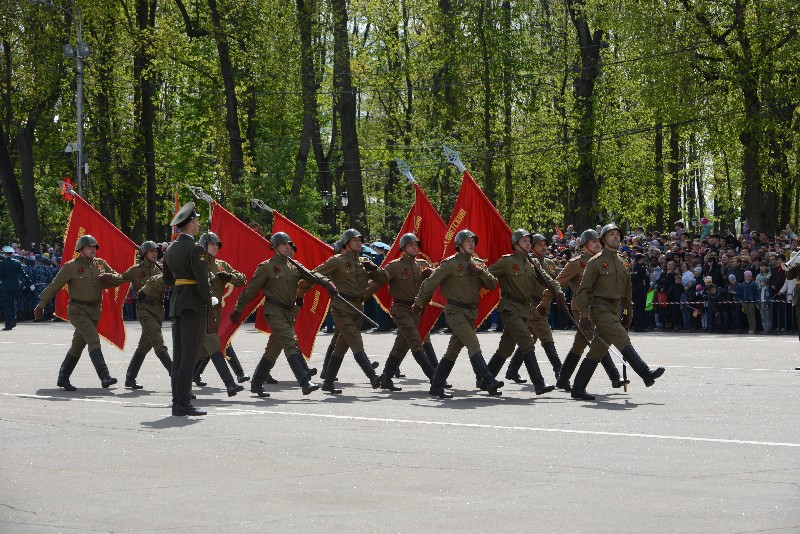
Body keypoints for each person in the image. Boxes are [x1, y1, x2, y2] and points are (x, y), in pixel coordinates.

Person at [231, 232, 335, 397]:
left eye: (289, 244)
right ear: (275, 247)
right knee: (290, 342)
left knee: (272, 350)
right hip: (274, 312)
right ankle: (304, 381)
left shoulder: (294, 265)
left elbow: (312, 274)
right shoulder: (267, 267)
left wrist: (326, 282)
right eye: (284, 244)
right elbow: (251, 290)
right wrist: (238, 309)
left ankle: (257, 384)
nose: (288, 247)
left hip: (289, 313)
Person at [571, 223, 664, 400]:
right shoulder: (595, 262)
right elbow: (583, 291)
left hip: (615, 309)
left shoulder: (623, 262)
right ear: (604, 239)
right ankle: (645, 373)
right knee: (622, 338)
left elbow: (627, 291)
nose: (615, 237)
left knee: (597, 351)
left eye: (617, 234)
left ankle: (577, 387)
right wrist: (584, 316)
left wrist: (629, 312)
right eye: (611, 234)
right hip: (599, 308)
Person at [413, 229, 502, 399]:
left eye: (473, 241)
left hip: (471, 313)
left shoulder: (477, 263)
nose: (471, 244)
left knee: (452, 351)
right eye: (467, 241)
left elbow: (492, 284)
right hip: (455, 311)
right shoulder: (451, 263)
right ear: (459, 244)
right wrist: (419, 303)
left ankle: (436, 386)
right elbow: (430, 283)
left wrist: (480, 272)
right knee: (473, 344)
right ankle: (489, 380)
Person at [298, 228, 387, 394]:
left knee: (341, 346)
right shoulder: (337, 260)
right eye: (355, 241)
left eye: (360, 240)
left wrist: (374, 269)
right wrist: (326, 283)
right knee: (355, 341)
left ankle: (328, 382)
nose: (359, 243)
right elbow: (315, 273)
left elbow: (383, 280)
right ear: (346, 244)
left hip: (357, 307)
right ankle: (373, 377)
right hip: (341, 307)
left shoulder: (364, 261)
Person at [483, 230, 568, 395]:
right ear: (515, 244)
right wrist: (480, 274)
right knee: (527, 342)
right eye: (524, 241)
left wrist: (558, 292)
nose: (528, 243)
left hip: (525, 310)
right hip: (509, 308)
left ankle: (485, 379)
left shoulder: (532, 263)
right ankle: (539, 383)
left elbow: (549, 280)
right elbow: (489, 275)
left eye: (529, 241)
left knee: (506, 348)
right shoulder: (507, 261)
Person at [34, 235, 123, 391]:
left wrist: (111, 277)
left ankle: (63, 377)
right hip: (77, 310)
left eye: (94, 247)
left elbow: (117, 279)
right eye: (89, 247)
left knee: (77, 346)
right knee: (93, 339)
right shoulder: (71, 267)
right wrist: (41, 304)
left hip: (95, 311)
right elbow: (55, 285)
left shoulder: (101, 264)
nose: (93, 249)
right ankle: (104, 376)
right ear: (80, 249)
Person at [547, 229, 627, 391]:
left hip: (602, 308)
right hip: (583, 309)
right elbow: (557, 282)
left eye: (599, 241)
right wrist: (546, 301)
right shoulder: (576, 263)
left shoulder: (607, 260)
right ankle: (614, 376)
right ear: (584, 245)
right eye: (593, 241)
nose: (598, 243)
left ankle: (563, 379)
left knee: (583, 343)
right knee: (597, 339)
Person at [368, 233, 438, 392]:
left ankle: (386, 377)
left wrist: (431, 273)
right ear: (403, 248)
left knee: (400, 347)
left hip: (416, 310)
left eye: (416, 244)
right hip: (401, 309)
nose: (414, 247)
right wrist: (360, 298)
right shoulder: (394, 266)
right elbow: (377, 282)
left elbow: (438, 276)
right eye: (411, 245)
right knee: (415, 342)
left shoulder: (422, 264)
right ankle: (435, 378)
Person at [162, 202, 212, 416]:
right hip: (193, 304)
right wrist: (209, 302)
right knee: (189, 357)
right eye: (197, 221)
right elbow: (202, 282)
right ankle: (183, 403)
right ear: (190, 224)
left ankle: (177, 401)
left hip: (177, 303)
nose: (198, 224)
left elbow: (167, 279)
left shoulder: (171, 248)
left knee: (180, 355)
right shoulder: (196, 249)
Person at [501, 233, 565, 385]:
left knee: (530, 339)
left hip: (544, 305)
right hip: (532, 305)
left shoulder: (549, 263)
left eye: (545, 244)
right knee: (546, 335)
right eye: (539, 245)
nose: (543, 247)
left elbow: (557, 279)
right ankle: (559, 371)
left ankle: (512, 370)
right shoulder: (529, 263)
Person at [192, 232, 247, 397]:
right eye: (212, 244)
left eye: (217, 244)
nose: (215, 247)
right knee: (215, 346)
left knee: (199, 352)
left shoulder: (221, 265)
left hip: (215, 313)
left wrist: (229, 276)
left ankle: (182, 378)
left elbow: (242, 278)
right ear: (203, 246)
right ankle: (230, 383)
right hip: (200, 311)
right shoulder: (195, 264)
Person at [119, 241, 172, 389]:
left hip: (159, 310)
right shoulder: (136, 270)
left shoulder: (161, 269)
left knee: (144, 346)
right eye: (151, 251)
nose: (155, 254)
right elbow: (120, 278)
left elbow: (170, 284)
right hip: (144, 310)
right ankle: (175, 374)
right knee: (158, 341)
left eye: (156, 251)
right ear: (143, 254)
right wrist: (104, 277)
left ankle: (130, 377)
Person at [1, 245, 34, 330]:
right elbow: (24, 274)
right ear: (12, 254)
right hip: (15, 286)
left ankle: (8, 325)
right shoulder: (16, 262)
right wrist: (30, 283)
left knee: (8, 305)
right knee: (13, 303)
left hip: (6, 287)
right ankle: (13, 321)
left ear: (5, 254)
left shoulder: (2, 263)